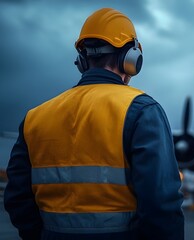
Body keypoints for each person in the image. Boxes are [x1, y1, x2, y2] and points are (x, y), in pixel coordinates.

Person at [4, 8, 184, 240]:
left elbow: (17, 198)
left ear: (82, 60)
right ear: (131, 59)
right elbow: (161, 206)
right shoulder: (142, 111)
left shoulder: (34, 118)